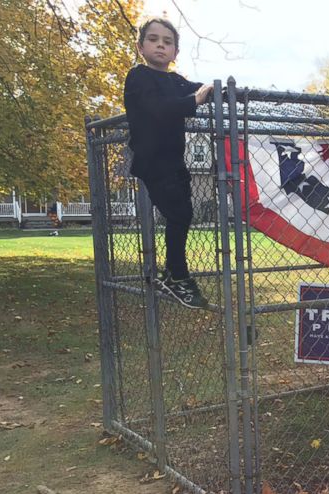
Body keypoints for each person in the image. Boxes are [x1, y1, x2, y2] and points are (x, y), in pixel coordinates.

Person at [124, 17, 214, 309]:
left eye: (168, 42)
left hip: (175, 161)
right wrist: (195, 101)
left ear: (175, 52)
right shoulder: (139, 77)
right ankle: (177, 275)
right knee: (179, 214)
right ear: (140, 46)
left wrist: (220, 90)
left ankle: (173, 273)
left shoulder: (175, 80)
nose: (161, 45)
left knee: (182, 214)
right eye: (153, 40)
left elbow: (197, 89)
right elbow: (159, 110)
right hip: (153, 161)